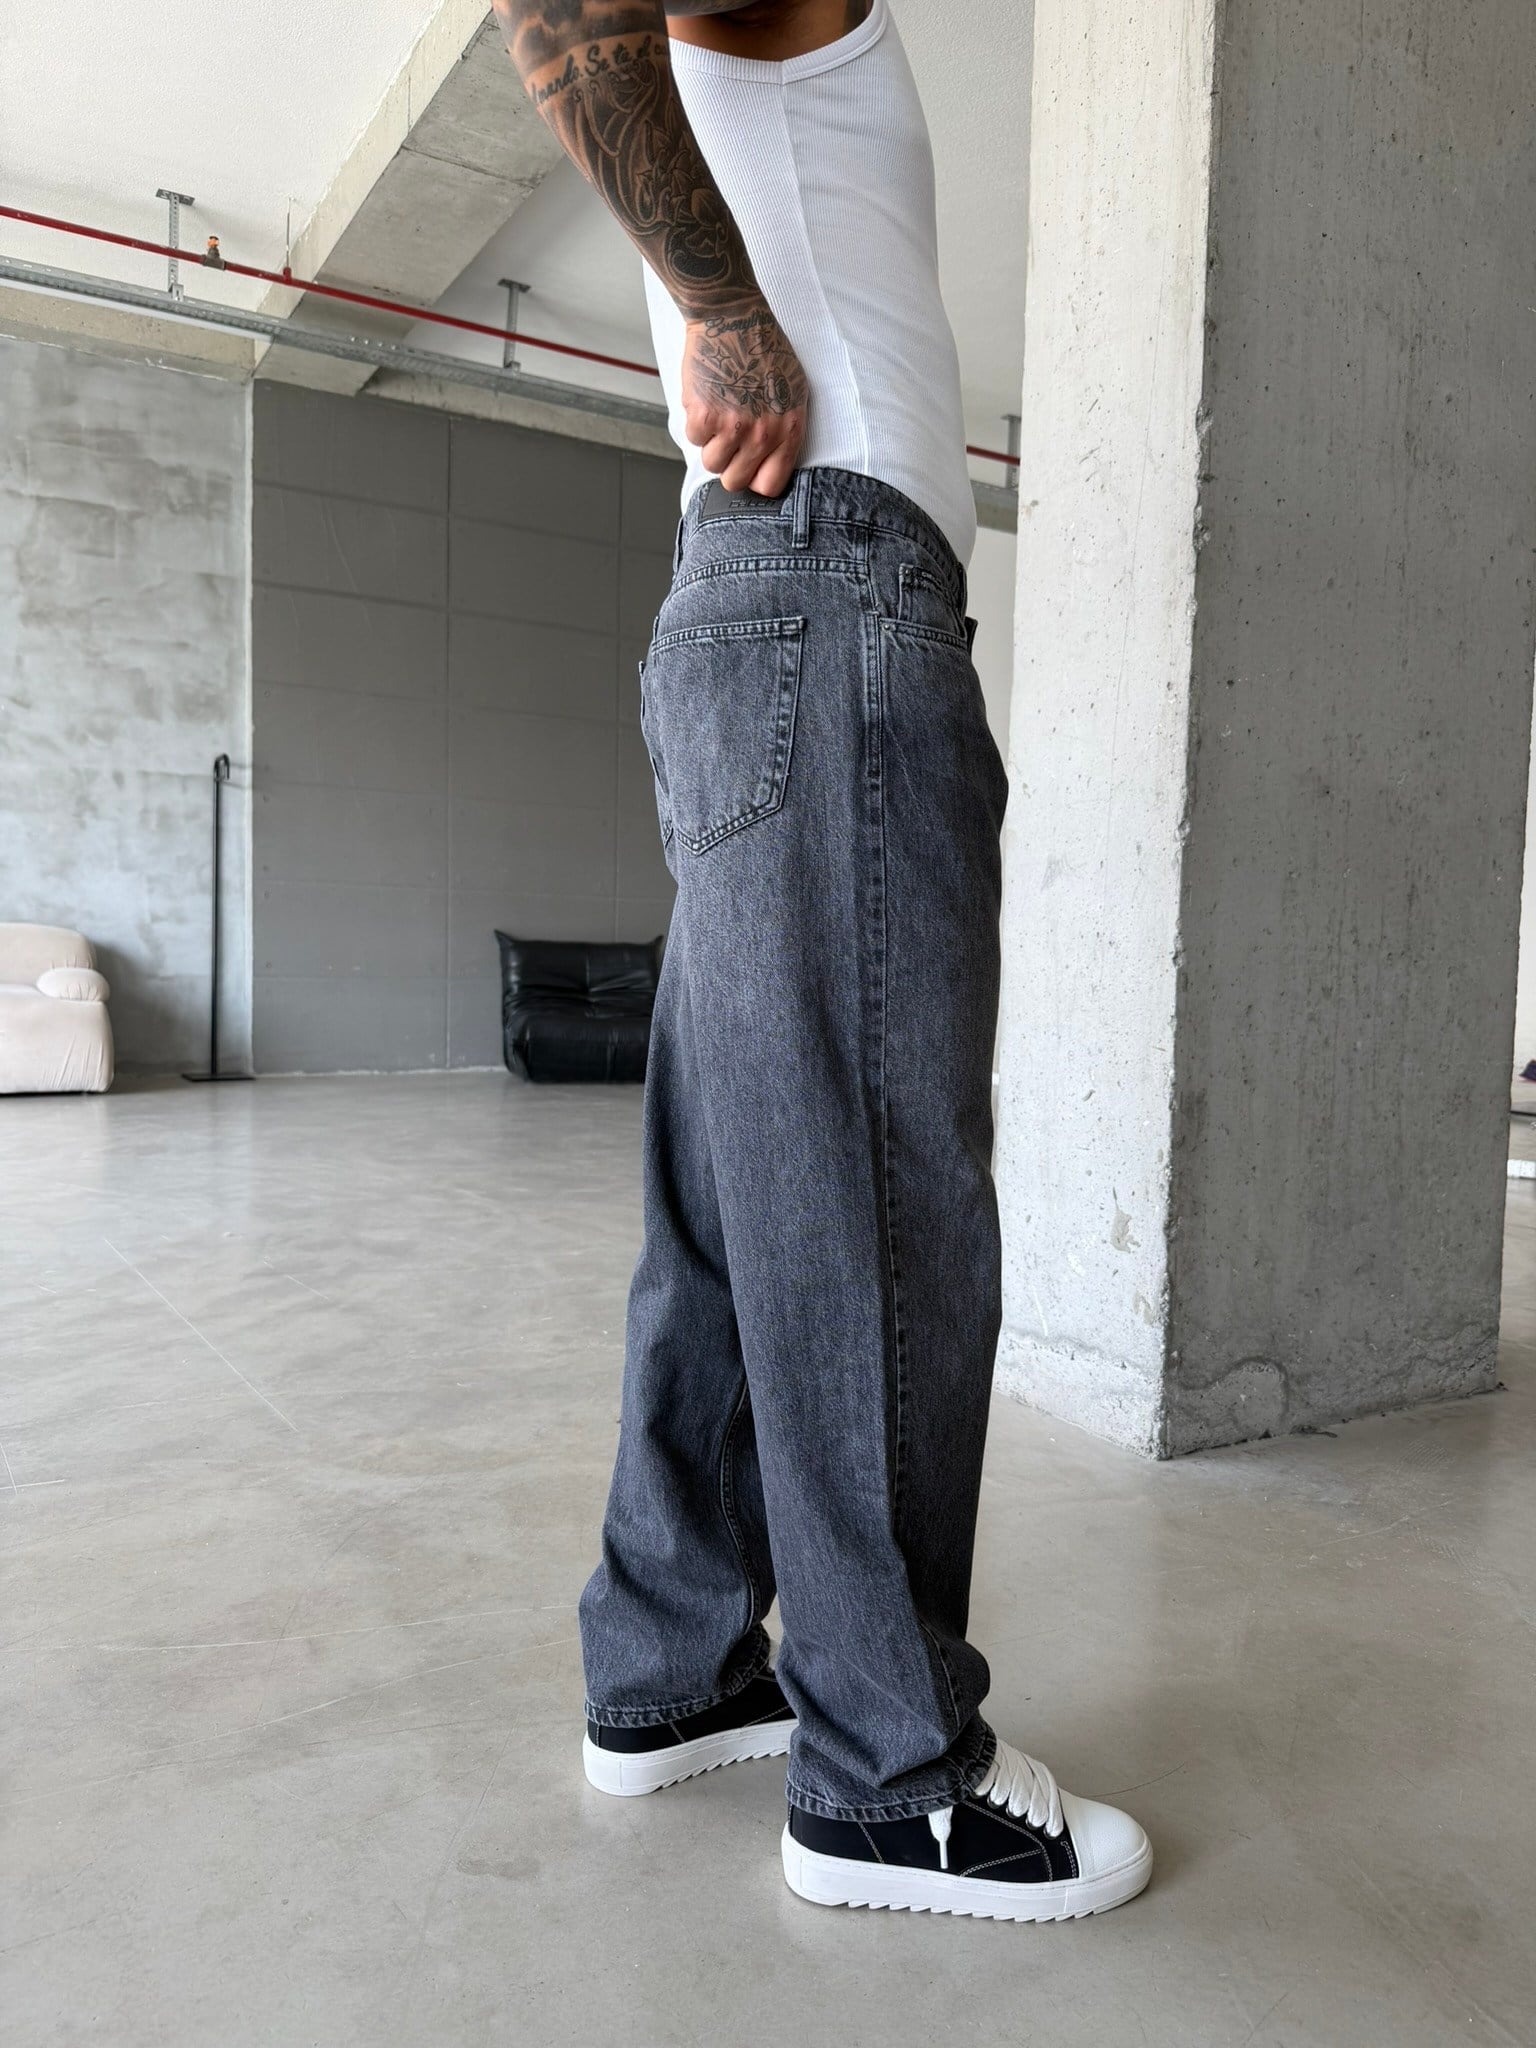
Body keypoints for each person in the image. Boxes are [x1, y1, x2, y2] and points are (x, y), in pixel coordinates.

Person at [494, 0, 1152, 1921]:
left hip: (770, 604)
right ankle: (888, 1770)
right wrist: (724, 309)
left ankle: (675, 1661)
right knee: (877, 1202)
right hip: (832, 600)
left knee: (736, 1200)